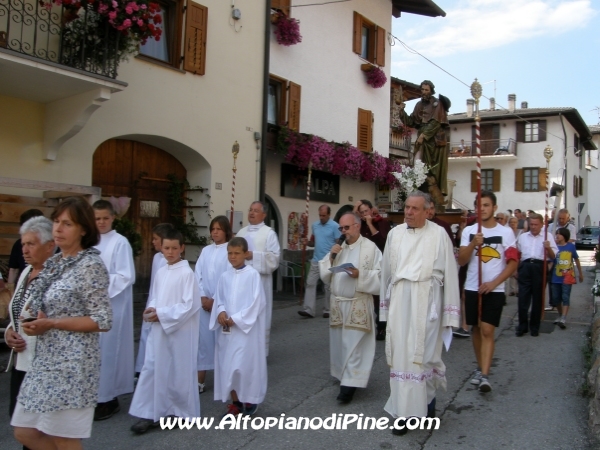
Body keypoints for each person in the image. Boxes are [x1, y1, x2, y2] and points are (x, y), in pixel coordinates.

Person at [11, 197, 112, 449]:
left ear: (84, 230)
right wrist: (35, 321)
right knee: (25, 431)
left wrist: (54, 323)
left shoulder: (90, 264)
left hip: (73, 363)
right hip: (45, 361)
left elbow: (103, 319)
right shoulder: (56, 262)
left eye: (67, 223)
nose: (57, 228)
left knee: (65, 439)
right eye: (56, 221)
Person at [379, 191, 460, 435]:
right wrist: (384, 308)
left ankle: (428, 404)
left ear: (428, 211)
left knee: (422, 355)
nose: (409, 213)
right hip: (401, 299)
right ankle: (403, 414)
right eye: (406, 207)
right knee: (402, 356)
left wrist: (450, 314)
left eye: (415, 208)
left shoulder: (438, 235)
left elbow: (450, 273)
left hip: (428, 301)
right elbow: (386, 273)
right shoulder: (394, 234)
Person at [129, 229, 201, 434]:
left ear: (182, 248)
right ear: (161, 247)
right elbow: (155, 296)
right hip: (159, 329)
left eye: (174, 248)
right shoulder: (161, 271)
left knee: (177, 371)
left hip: (180, 331)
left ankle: (179, 411)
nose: (170, 252)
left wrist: (162, 313)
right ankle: (150, 413)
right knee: (152, 368)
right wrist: (151, 309)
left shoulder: (187, 273)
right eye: (166, 248)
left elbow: (189, 305)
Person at [458, 191, 518, 393]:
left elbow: (512, 262)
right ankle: (479, 366)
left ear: (494, 208)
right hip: (473, 287)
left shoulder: (506, 232)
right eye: (478, 205)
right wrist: (474, 243)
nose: (482, 208)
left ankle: (485, 375)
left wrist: (494, 283)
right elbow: (462, 260)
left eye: (486, 205)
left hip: (495, 288)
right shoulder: (469, 231)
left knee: (487, 330)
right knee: (475, 329)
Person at [319, 213, 382, 404]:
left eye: (346, 228)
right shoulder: (340, 249)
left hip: (358, 303)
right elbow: (325, 273)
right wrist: (331, 257)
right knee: (341, 345)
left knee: (355, 347)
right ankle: (344, 377)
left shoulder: (370, 248)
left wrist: (359, 275)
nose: (343, 232)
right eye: (341, 228)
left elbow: (382, 276)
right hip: (339, 304)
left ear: (357, 226)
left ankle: (349, 387)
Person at [4, 217, 55, 429]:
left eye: (31, 244)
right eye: (23, 244)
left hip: (44, 365)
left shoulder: (57, 277)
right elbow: (18, 311)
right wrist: (9, 331)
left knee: (36, 429)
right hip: (21, 361)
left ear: (49, 246)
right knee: (21, 424)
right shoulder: (26, 272)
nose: (24, 250)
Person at [210, 237, 267, 417]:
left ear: (245, 254)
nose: (232, 257)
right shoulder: (225, 276)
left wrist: (236, 318)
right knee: (228, 366)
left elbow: (257, 303)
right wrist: (220, 311)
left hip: (244, 331)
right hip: (227, 331)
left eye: (236, 253)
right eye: (230, 253)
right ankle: (235, 402)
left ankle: (249, 398)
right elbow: (219, 298)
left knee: (242, 365)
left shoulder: (252, 275)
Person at [92, 200, 136, 421]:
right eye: (97, 218)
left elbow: (125, 275)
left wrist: (96, 286)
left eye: (105, 218)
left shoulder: (120, 242)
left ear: (113, 218)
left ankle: (108, 399)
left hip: (112, 306)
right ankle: (93, 396)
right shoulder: (88, 240)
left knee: (108, 352)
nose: (101, 222)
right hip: (88, 309)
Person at [236, 201, 280, 355]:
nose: (252, 213)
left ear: (264, 215)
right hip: (241, 282)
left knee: (258, 315)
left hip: (260, 283)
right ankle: (242, 348)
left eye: (255, 210)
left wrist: (253, 255)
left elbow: (275, 259)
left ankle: (259, 352)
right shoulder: (241, 233)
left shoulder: (269, 233)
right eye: (250, 210)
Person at [194, 216, 232, 393]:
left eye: (219, 229)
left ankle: (226, 381)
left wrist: (215, 300)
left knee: (223, 343)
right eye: (213, 229)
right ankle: (199, 380)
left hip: (222, 304)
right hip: (204, 305)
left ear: (226, 231)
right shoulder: (206, 251)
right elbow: (198, 274)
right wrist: (202, 296)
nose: (215, 232)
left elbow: (228, 278)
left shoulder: (229, 251)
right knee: (203, 342)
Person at [134, 223, 174, 378]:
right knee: (146, 336)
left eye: (156, 239)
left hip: (162, 305)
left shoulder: (167, 261)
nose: (153, 242)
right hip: (152, 300)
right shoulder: (157, 257)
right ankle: (141, 368)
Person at [398, 80, 450, 197]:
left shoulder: (437, 104)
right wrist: (402, 111)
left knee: (434, 169)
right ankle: (421, 189)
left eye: (426, 90)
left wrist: (424, 135)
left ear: (431, 91)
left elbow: (436, 122)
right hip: (423, 139)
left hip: (435, 140)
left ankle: (435, 191)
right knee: (419, 164)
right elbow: (411, 122)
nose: (424, 92)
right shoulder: (419, 105)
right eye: (422, 90)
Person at [515, 213, 557, 337]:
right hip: (525, 266)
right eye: (531, 224)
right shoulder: (523, 237)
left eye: (536, 224)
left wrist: (548, 248)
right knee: (523, 298)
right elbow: (518, 254)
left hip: (540, 267)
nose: (533, 227)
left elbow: (553, 256)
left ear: (541, 225)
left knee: (538, 299)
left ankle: (535, 327)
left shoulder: (547, 236)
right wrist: (515, 270)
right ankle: (522, 326)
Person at [298, 205, 340, 319]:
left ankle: (328, 309)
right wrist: (307, 242)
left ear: (329, 215)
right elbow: (313, 241)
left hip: (328, 260)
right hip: (316, 259)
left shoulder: (335, 226)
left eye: (324, 215)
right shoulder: (315, 225)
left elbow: (338, 242)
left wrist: (335, 256)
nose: (321, 217)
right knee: (310, 283)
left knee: (327, 286)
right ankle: (309, 309)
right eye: (320, 215)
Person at [357, 200, 390, 341]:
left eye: (366, 211)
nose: (365, 214)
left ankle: (381, 328)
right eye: (362, 212)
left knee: (379, 299)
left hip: (380, 266)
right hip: (365, 266)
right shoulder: (360, 226)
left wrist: (370, 224)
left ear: (371, 210)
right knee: (365, 297)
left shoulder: (382, 223)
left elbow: (383, 243)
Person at [550, 228, 583, 329]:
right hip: (556, 277)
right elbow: (551, 261)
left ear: (564, 236)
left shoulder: (570, 247)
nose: (557, 236)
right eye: (557, 234)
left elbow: (576, 260)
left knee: (565, 297)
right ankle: (560, 315)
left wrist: (580, 273)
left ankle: (563, 318)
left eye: (559, 234)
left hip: (567, 277)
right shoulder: (554, 247)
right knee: (556, 299)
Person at [7, 209, 44, 286]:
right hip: (23, 287)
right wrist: (10, 289)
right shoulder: (18, 244)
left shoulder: (50, 245)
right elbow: (13, 269)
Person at [507, 217, 522, 296]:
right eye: (511, 222)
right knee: (511, 272)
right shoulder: (507, 232)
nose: (513, 224)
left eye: (514, 222)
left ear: (517, 223)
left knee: (518, 272)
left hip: (519, 253)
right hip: (510, 253)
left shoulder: (521, 232)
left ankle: (519, 289)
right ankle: (512, 289)